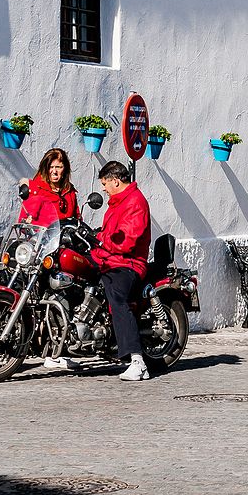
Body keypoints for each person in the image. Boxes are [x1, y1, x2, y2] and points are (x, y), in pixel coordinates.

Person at [92, 161, 154, 381]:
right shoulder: (116, 202)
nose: (103, 188)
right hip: (107, 259)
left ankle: (138, 361)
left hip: (128, 263)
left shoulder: (136, 202)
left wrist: (101, 239)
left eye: (105, 183)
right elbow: (109, 234)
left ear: (115, 180)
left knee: (117, 296)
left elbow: (126, 240)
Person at [19, 147, 79, 226]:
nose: (54, 171)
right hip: (45, 237)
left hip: (67, 237)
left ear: (65, 169)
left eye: (58, 167)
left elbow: (77, 219)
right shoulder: (37, 189)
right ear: (45, 169)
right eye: (51, 167)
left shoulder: (69, 190)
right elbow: (24, 224)